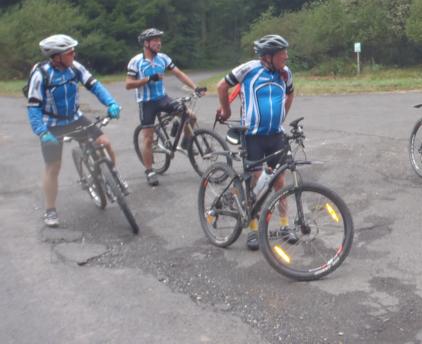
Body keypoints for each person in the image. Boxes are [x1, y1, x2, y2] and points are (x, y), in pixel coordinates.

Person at [26, 34, 122, 227]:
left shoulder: (75, 67)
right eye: (70, 52)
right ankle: (50, 209)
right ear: (57, 57)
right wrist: (42, 132)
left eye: (73, 51)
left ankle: (114, 176)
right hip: (52, 124)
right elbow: (33, 107)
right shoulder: (41, 75)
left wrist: (111, 103)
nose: (74, 55)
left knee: (104, 142)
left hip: (75, 118)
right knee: (53, 167)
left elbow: (95, 86)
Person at [216, 34, 295, 250]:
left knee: (279, 181)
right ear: (268, 56)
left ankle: (285, 225)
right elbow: (222, 86)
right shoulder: (249, 69)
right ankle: (252, 228)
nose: (286, 56)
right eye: (282, 53)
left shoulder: (285, 73)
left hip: (275, 135)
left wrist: (281, 116)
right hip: (253, 136)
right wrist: (226, 110)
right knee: (256, 182)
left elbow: (290, 93)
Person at [126, 28, 203, 186]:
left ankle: (185, 142)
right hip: (146, 103)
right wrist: (148, 79)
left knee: (190, 116)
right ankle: (149, 171)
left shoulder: (163, 58)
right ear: (146, 43)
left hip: (162, 98)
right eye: (155, 40)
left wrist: (195, 87)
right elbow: (128, 84)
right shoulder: (136, 61)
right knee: (148, 139)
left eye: (159, 40)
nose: (159, 43)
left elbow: (179, 73)